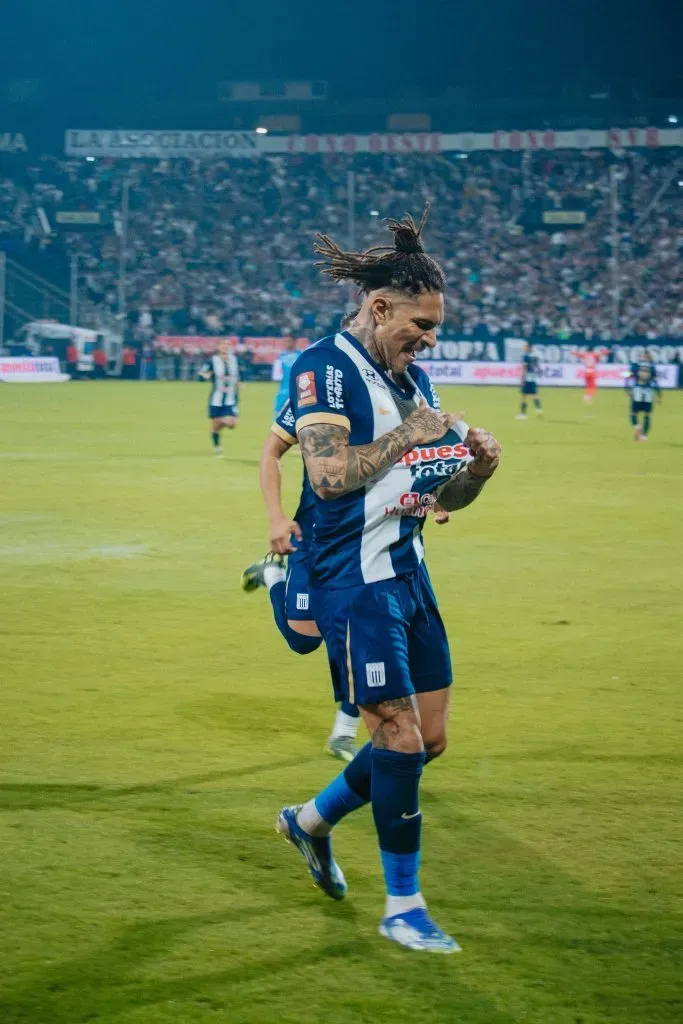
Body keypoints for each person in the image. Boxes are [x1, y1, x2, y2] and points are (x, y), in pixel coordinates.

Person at [274, 210, 501, 953]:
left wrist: (474, 470)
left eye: (433, 326)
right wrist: (412, 432)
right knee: (395, 735)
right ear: (379, 307)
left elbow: (440, 499)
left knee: (427, 740)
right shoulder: (322, 369)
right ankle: (402, 907)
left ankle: (308, 821)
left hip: (409, 572)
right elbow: (329, 475)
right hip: (352, 580)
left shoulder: (416, 376)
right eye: (421, 323)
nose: (429, 337)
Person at [198, 339, 239, 456]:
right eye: (223, 345)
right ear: (218, 347)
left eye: (228, 345)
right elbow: (201, 374)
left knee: (232, 424)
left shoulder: (235, 360)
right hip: (217, 398)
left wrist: (240, 382)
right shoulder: (212, 361)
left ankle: (218, 423)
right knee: (216, 426)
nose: (226, 347)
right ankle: (217, 446)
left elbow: (240, 374)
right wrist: (204, 376)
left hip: (231, 398)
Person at [626, 351, 661, 441]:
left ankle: (637, 426)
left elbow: (628, 376)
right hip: (648, 393)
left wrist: (627, 389)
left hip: (637, 391)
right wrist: (659, 395)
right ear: (649, 357)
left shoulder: (636, 365)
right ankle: (644, 436)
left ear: (642, 356)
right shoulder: (652, 367)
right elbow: (655, 381)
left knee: (633, 413)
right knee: (647, 415)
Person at [272, 335, 300, 419]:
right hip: (283, 393)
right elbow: (276, 377)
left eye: (289, 341)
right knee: (278, 419)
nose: (287, 343)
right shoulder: (280, 357)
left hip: (298, 393)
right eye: (285, 341)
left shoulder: (301, 355)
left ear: (294, 342)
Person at [516, 342, 543, 419]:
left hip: (527, 378)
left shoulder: (525, 357)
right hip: (533, 377)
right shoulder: (535, 356)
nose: (524, 348)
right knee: (534, 395)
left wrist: (522, 380)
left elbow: (524, 369)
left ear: (529, 347)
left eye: (525, 347)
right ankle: (539, 410)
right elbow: (538, 367)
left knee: (524, 396)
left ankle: (523, 414)